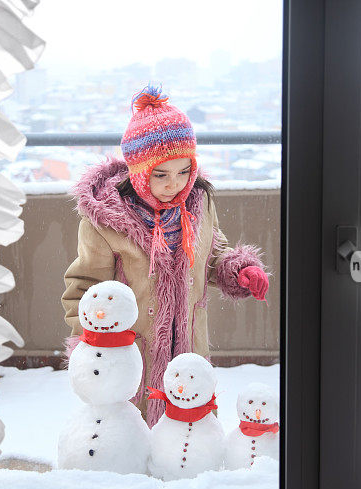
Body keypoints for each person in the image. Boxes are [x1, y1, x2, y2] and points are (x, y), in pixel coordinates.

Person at [61, 85, 269, 426]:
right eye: (161, 174)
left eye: (184, 171)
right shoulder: (106, 222)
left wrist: (238, 269)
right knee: (133, 434)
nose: (175, 184)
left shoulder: (198, 204)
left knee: (189, 437)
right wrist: (97, 346)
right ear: (139, 173)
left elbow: (211, 251)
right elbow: (84, 287)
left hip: (188, 347)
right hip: (131, 355)